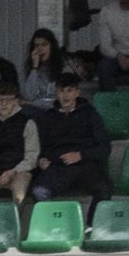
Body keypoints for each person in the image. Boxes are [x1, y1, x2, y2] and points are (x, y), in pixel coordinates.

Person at [32, 74, 111, 205]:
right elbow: (39, 145)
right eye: (61, 91)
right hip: (57, 167)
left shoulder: (90, 114)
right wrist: (41, 158)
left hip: (86, 165)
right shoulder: (47, 117)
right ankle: (53, 225)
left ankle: (91, 225)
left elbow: (104, 147)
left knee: (103, 189)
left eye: (69, 90)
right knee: (39, 191)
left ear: (77, 93)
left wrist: (81, 155)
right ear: (56, 93)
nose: (65, 95)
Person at [16, 27, 64, 108]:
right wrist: (34, 67)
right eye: (37, 45)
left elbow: (64, 98)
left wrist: (33, 103)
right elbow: (29, 95)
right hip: (36, 112)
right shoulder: (29, 69)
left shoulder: (63, 66)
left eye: (44, 45)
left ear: (52, 47)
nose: (40, 49)